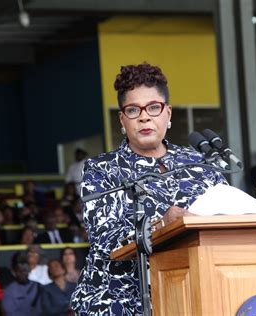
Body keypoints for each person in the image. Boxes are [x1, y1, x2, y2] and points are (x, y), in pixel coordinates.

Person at [70, 63, 227, 314]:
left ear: (168, 113)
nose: (145, 117)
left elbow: (227, 222)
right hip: (120, 302)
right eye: (133, 110)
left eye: (154, 107)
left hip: (192, 296)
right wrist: (162, 225)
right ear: (122, 119)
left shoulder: (200, 165)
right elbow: (106, 242)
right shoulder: (102, 170)